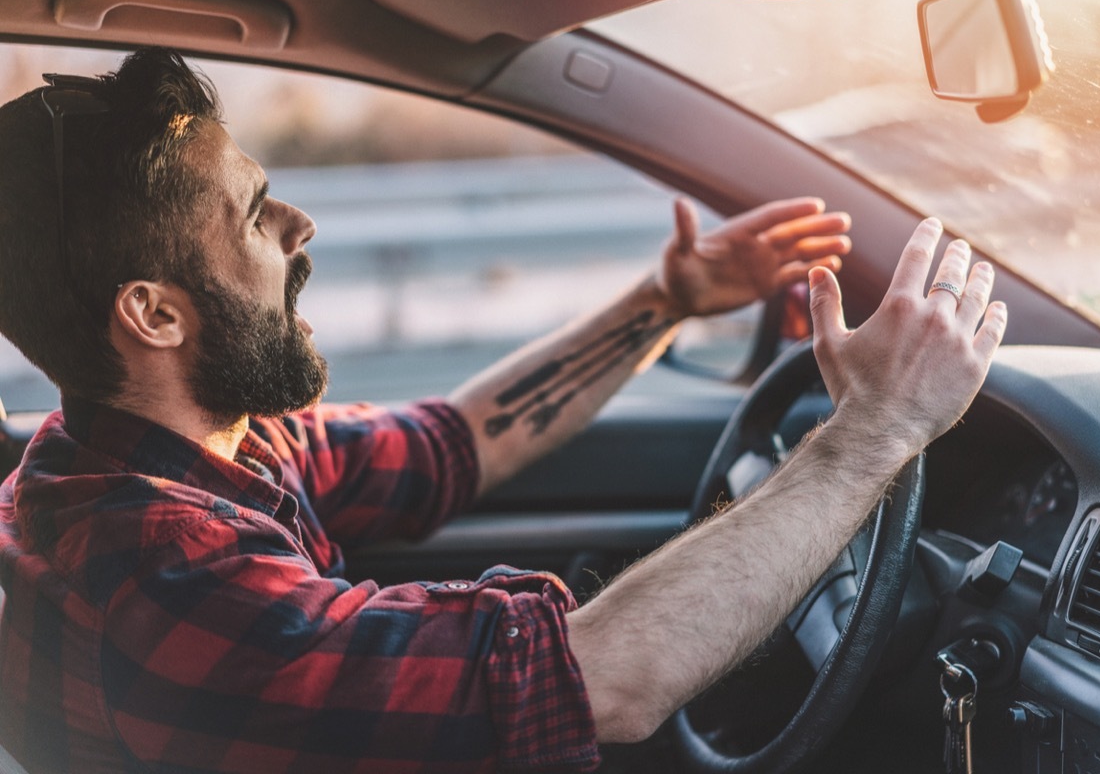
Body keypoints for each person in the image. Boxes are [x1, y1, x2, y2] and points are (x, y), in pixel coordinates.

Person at [0, 48, 1006, 773]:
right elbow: (603, 679)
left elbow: (454, 440)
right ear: (155, 312)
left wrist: (669, 301)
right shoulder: (161, 571)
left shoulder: (181, 446)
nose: (299, 222)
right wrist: (876, 429)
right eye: (253, 212)